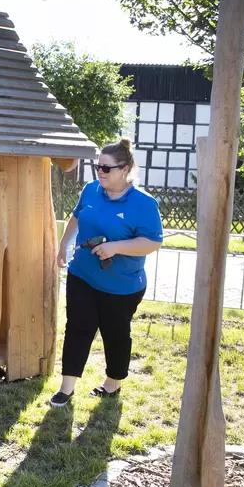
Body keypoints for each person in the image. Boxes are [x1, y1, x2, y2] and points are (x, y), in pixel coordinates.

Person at [51, 138, 163, 406]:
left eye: (106, 168)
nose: (99, 172)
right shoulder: (91, 190)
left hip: (122, 285)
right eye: (97, 166)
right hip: (83, 275)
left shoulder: (144, 204)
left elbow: (152, 242)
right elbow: (77, 217)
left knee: (115, 334)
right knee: (78, 327)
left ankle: (112, 384)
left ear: (125, 170)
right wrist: (63, 245)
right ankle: (67, 388)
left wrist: (115, 248)